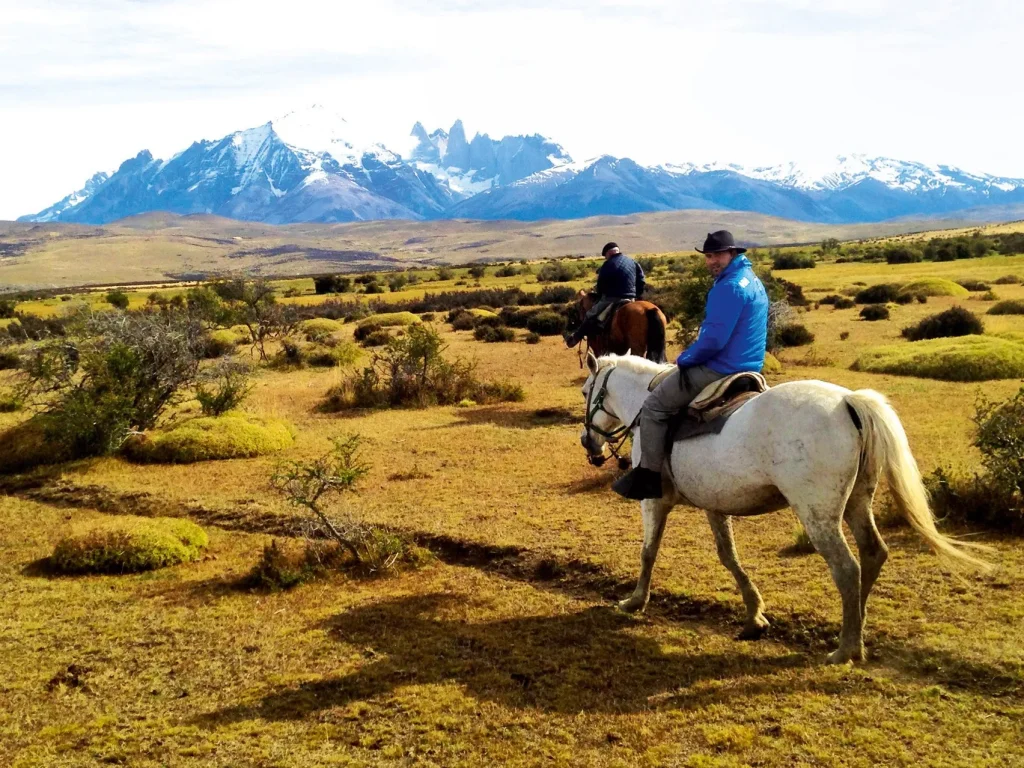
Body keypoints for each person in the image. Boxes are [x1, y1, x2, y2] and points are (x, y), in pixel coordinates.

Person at [612, 230, 769, 501]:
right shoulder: (751, 280)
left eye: (717, 255)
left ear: (733, 253)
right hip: (750, 365)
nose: (711, 261)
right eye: (708, 256)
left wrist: (685, 359)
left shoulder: (728, 286)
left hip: (720, 366)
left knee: (653, 407)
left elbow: (714, 341)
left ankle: (649, 477)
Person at [563, 242, 646, 348]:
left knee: (589, 315)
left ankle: (574, 340)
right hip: (631, 298)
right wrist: (636, 295)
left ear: (608, 254)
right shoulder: (633, 262)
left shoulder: (608, 264)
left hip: (612, 299)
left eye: (605, 256)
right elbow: (641, 281)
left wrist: (600, 295)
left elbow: (601, 286)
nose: (606, 258)